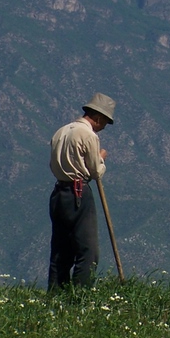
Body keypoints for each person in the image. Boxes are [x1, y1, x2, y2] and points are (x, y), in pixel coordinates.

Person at [47, 92, 116, 290]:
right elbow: (95, 172)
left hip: (59, 193)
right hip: (78, 193)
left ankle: (55, 295)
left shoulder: (61, 132)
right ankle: (80, 296)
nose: (103, 128)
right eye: (104, 123)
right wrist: (101, 157)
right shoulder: (88, 135)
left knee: (61, 250)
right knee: (88, 251)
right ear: (98, 118)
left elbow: (52, 164)